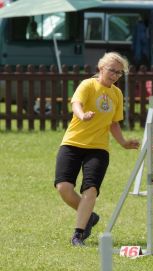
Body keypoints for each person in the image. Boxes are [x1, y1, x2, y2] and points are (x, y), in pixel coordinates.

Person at [54, 52, 140, 246]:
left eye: (119, 73)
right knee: (63, 187)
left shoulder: (116, 94)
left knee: (90, 189)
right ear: (101, 68)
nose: (115, 75)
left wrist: (124, 143)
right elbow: (76, 103)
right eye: (112, 71)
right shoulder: (88, 85)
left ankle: (78, 233)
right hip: (72, 143)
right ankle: (90, 217)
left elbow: (114, 124)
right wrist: (82, 115)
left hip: (99, 148)